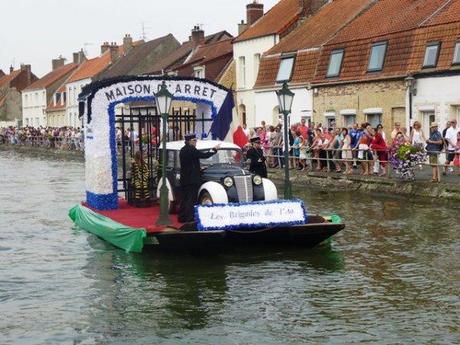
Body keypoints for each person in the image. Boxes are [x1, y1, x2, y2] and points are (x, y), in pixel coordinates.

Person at [178, 134, 220, 223]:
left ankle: (182, 217)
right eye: (194, 140)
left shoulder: (183, 150)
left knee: (184, 199)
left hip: (185, 178)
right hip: (192, 179)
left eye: (196, 140)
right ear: (189, 141)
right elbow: (204, 155)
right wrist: (214, 150)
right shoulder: (191, 149)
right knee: (191, 199)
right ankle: (189, 218)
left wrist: (199, 168)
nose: (196, 142)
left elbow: (189, 164)